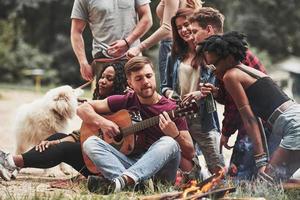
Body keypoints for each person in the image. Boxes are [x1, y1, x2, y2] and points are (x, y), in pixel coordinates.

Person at [77, 56, 195, 194]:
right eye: (138, 79)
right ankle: (131, 185)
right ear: (130, 83)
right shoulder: (126, 100)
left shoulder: (172, 109)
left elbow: (190, 152)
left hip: (159, 173)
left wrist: (175, 134)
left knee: (169, 142)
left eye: (148, 76)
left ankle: (121, 182)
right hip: (131, 164)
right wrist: (103, 123)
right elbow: (82, 108)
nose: (145, 82)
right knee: (90, 143)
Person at [197, 31, 300, 181]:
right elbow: (255, 115)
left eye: (214, 65)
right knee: (278, 181)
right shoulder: (246, 71)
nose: (212, 71)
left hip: (293, 125)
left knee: (266, 184)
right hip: (295, 117)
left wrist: (260, 161)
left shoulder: (230, 76)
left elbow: (249, 119)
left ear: (230, 58)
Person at [0, 62, 127, 181]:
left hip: (102, 162)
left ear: (119, 83)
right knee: (55, 138)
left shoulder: (123, 108)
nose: (102, 81)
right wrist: (57, 141)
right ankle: (14, 163)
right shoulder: (103, 102)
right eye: (102, 76)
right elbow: (82, 133)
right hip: (92, 153)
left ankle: (11, 162)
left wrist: (59, 143)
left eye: (109, 79)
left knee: (63, 147)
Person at [189, 7, 268, 179]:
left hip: (261, 125)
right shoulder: (218, 54)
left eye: (195, 31)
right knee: (239, 178)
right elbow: (229, 96)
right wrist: (216, 93)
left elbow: (235, 104)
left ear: (209, 29)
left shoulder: (230, 55)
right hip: (249, 124)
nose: (192, 36)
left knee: (241, 179)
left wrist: (225, 133)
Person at [161, 8, 224, 175]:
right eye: (179, 27)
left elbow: (216, 85)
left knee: (216, 165)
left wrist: (200, 94)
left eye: (187, 24)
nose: (183, 30)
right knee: (188, 167)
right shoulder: (173, 56)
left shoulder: (209, 54)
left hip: (203, 116)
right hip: (180, 116)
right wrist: (170, 94)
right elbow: (164, 86)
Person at [127, 0, 203, 89]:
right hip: (180, 43)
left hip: (171, 45)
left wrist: (139, 48)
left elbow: (167, 28)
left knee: (170, 87)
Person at [70, 0, 152, 81]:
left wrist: (127, 42)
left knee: (135, 94)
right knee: (106, 95)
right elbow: (76, 31)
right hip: (102, 61)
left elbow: (147, 18)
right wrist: (83, 62)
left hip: (132, 58)